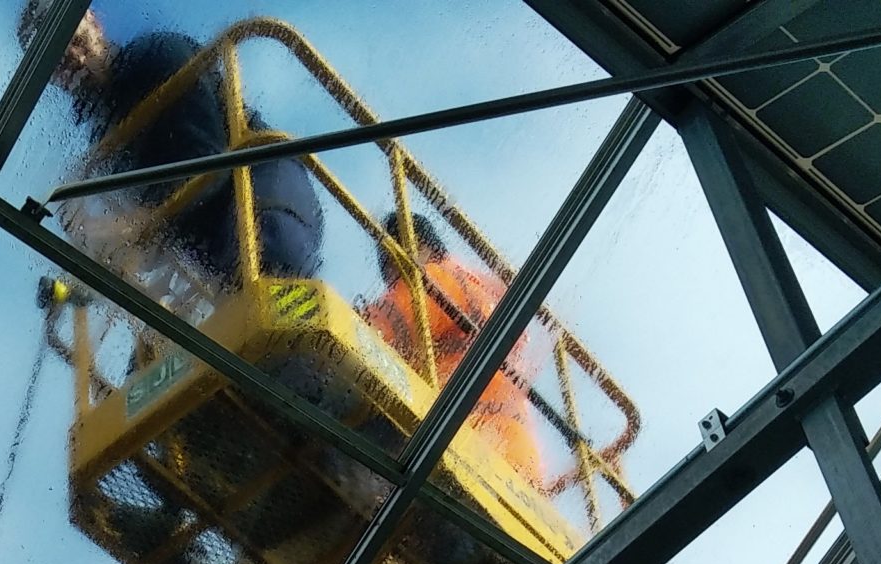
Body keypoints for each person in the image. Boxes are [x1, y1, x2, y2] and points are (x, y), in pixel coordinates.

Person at [27, 4, 324, 285]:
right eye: (62, 63)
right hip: (220, 231)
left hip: (263, 184)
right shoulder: (106, 140)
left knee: (265, 270)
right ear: (54, 80)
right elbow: (160, 229)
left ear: (95, 22)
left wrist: (130, 226)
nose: (77, 59)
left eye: (77, 41)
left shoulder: (156, 59)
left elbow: (208, 161)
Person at [361, 221, 553, 495]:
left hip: (466, 448)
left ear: (415, 247)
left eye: (391, 269)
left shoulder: (437, 279)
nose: (393, 283)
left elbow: (383, 328)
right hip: (520, 470)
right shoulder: (487, 294)